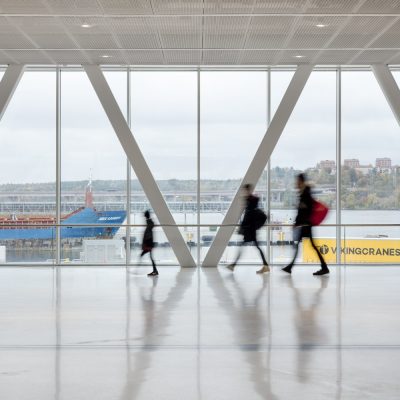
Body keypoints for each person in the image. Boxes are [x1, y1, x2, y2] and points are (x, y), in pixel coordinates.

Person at [282, 173, 329, 276]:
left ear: (301, 181)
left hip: (306, 225)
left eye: (297, 181)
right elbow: (302, 210)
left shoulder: (305, 193)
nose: (296, 183)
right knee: (307, 245)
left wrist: (297, 222)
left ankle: (324, 267)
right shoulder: (303, 192)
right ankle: (324, 267)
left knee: (307, 245)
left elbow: (304, 211)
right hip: (305, 224)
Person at [227, 183, 269, 274]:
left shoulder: (251, 200)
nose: (244, 192)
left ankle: (233, 265)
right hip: (250, 229)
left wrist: (242, 228)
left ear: (248, 190)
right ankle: (265, 266)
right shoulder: (250, 200)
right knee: (255, 247)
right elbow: (248, 215)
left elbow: (248, 216)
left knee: (248, 247)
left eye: (245, 190)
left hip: (250, 230)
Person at [140, 210, 158, 276]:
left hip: (148, 244)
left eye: (144, 215)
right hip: (149, 244)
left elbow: (148, 235)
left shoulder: (149, 224)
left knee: (145, 256)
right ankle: (155, 271)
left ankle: (155, 271)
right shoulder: (149, 223)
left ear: (146, 215)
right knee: (150, 257)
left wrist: (145, 244)